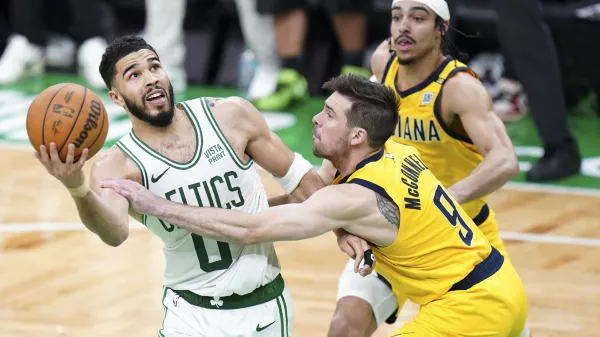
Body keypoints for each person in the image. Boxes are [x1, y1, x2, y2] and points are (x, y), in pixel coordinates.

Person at [102, 74, 529, 337]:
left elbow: (252, 229)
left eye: (328, 114)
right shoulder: (395, 150)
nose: (314, 118)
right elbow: (298, 197)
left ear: (358, 136)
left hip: (469, 307)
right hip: (502, 285)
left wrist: (156, 205)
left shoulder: (353, 197)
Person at [33, 35, 365, 337]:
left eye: (154, 66)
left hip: (262, 309)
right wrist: (77, 188)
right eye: (134, 75)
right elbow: (113, 233)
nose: (151, 78)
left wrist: (342, 230)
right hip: (188, 315)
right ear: (116, 98)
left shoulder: (230, 117)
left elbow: (299, 180)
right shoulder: (118, 165)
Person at [322, 0, 533, 336]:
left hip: (462, 240)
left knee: (506, 324)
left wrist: (444, 200)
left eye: (418, 18)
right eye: (396, 17)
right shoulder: (383, 64)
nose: (404, 26)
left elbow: (505, 159)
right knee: (344, 327)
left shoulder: (459, 87)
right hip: (394, 237)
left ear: (441, 29)